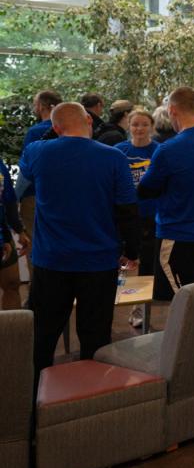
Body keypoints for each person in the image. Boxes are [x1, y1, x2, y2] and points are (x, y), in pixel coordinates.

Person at [18, 103, 140, 374]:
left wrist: (54, 131)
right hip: (99, 260)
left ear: (55, 127)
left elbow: (24, 178)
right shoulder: (114, 157)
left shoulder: (37, 151)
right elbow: (127, 210)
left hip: (51, 260)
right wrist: (131, 250)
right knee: (96, 335)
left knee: (42, 334)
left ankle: (35, 392)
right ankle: (91, 393)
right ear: (89, 120)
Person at [136, 87, 194, 297]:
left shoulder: (169, 149)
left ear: (172, 110)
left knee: (180, 302)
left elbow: (145, 190)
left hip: (178, 233)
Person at [114, 109, 160, 327]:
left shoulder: (159, 151)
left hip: (151, 214)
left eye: (144, 124)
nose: (139, 129)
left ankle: (139, 311)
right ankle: (112, 303)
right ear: (128, 126)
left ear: (151, 126)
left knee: (147, 265)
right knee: (123, 263)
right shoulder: (118, 151)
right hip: (124, 215)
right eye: (135, 124)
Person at [18, 89, 61, 247]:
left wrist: (15, 197)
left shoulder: (35, 132)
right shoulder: (69, 129)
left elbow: (26, 168)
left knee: (34, 242)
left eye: (35, 104)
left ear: (42, 106)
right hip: (62, 194)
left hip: (35, 194)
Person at [0, 160, 29, 310]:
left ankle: (11, 326)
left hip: (3, 236)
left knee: (11, 284)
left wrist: (19, 230)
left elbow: (9, 200)